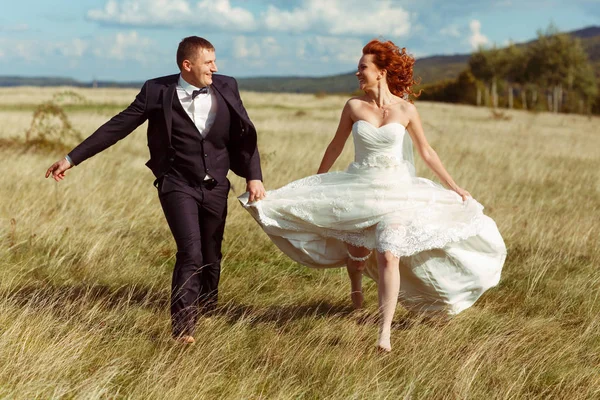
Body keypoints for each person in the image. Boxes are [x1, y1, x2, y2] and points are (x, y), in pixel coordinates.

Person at [239, 39, 506, 352]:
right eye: (358, 68)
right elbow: (336, 145)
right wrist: (317, 181)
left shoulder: (406, 110)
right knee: (356, 251)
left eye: (363, 68)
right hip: (359, 188)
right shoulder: (353, 107)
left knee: (388, 254)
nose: (358, 73)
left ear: (381, 73)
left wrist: (454, 186)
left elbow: (426, 151)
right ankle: (355, 285)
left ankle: (384, 332)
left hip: (396, 193)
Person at [45, 36, 266, 345]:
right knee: (190, 252)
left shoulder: (227, 86)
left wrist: (254, 176)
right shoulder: (156, 91)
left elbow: (245, 133)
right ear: (187, 65)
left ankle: (207, 305)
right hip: (177, 184)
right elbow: (117, 126)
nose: (215, 67)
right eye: (209, 62)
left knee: (211, 255)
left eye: (215, 61)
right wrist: (71, 158)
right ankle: (183, 328)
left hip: (216, 185)